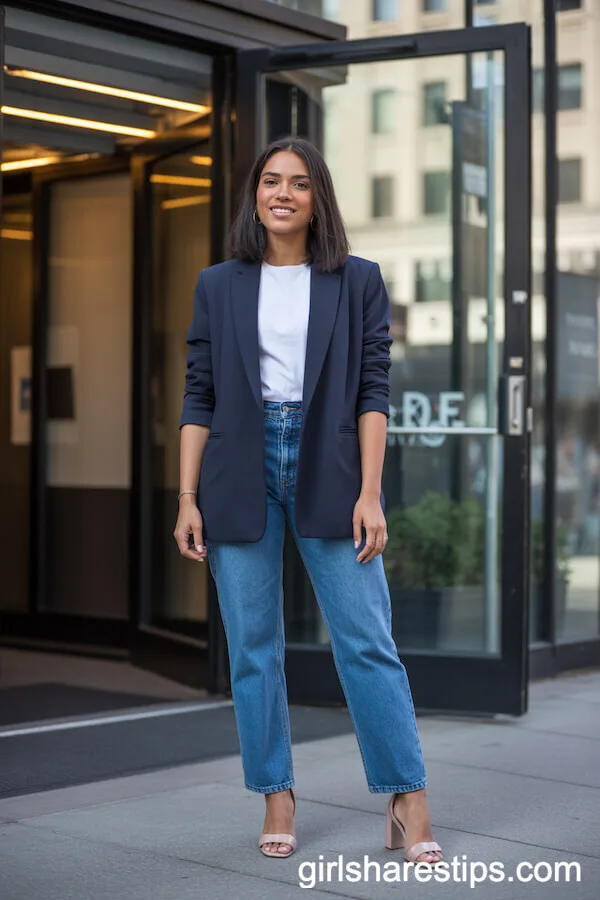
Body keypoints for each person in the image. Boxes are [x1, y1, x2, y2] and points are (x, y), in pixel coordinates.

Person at [174, 136, 442, 865]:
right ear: (254, 195)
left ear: (317, 197)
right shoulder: (218, 284)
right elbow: (199, 396)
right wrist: (187, 496)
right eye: (270, 181)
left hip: (328, 464)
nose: (282, 193)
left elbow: (372, 391)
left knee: (366, 640)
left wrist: (371, 491)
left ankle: (406, 796)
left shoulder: (357, 280)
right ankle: (276, 793)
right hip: (238, 466)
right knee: (254, 649)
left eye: (297, 183)